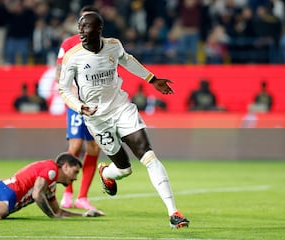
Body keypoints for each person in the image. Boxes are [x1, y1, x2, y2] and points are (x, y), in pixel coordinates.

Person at [58, 12, 189, 229]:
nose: (80, 32)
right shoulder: (73, 56)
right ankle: (106, 172)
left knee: (148, 155)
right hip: (97, 120)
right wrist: (80, 107)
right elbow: (63, 88)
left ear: (99, 29)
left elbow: (127, 60)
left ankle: (173, 212)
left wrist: (152, 79)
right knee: (124, 169)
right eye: (79, 27)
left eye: (85, 28)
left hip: (121, 109)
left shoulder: (113, 46)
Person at [55, 5, 101, 211]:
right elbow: (59, 72)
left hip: (97, 104)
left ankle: (82, 197)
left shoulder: (102, 45)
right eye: (82, 22)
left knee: (94, 147)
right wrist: (73, 90)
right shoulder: (69, 44)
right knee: (75, 147)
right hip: (76, 103)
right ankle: (67, 192)